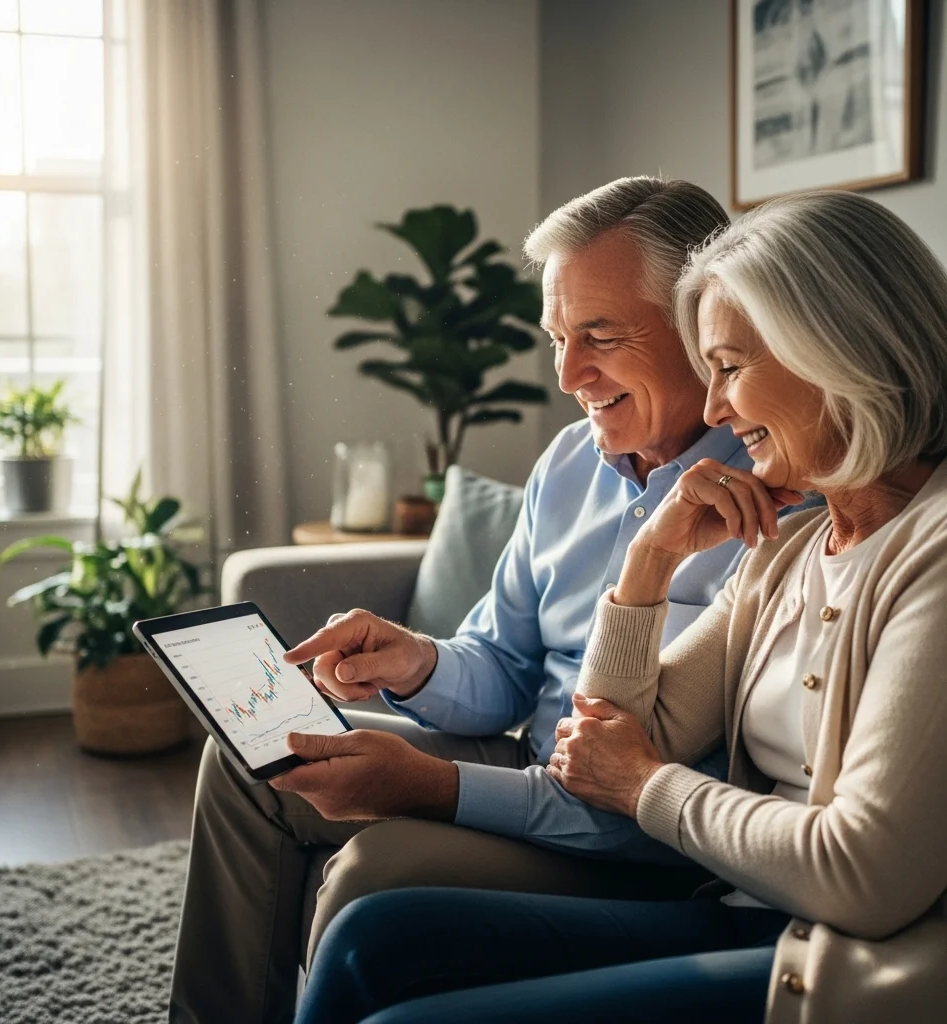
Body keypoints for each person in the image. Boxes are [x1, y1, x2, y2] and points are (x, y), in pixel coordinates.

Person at [295, 189, 947, 1024]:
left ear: (839, 351)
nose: (717, 408)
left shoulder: (914, 550)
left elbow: (858, 872)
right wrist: (648, 562)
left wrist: (642, 783)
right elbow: (621, 730)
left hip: (828, 966)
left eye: (731, 367)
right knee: (374, 938)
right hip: (740, 905)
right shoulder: (788, 549)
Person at [170, 178, 804, 1024]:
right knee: (249, 758)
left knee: (373, 874)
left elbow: (649, 794)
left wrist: (433, 785)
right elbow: (504, 666)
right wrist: (417, 660)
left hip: (638, 837)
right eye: (557, 338)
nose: (570, 373)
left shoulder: (775, 502)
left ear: (705, 324)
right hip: (529, 766)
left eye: (600, 336)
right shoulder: (570, 463)